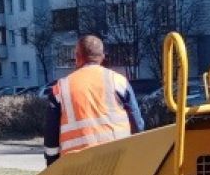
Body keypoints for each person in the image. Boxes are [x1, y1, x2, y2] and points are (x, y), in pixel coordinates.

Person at [43, 34, 145, 164]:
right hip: (118, 158)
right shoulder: (118, 81)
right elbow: (137, 124)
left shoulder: (60, 89)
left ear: (77, 57)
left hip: (77, 165)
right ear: (102, 56)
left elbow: (51, 134)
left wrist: (52, 163)